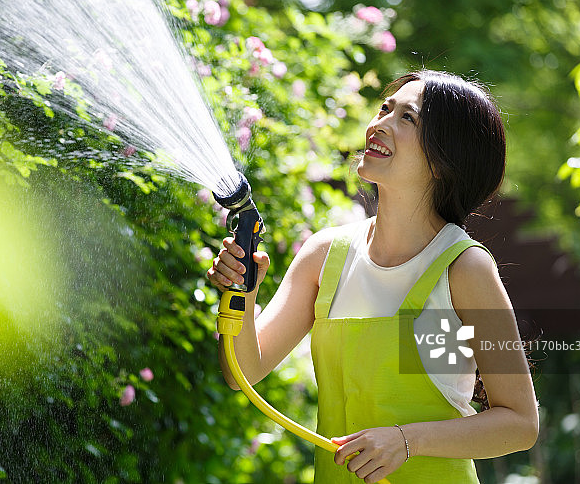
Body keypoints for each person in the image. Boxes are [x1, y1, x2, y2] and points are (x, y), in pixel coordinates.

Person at [207, 70, 539, 483]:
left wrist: (406, 440)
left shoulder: (461, 268)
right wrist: (245, 292)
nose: (379, 123)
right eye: (385, 108)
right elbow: (243, 372)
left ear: (444, 161)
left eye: (408, 118)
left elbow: (520, 424)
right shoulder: (325, 256)